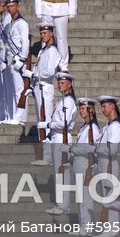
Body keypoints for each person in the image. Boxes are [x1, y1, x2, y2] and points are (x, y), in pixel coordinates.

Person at [24, 21, 64, 165]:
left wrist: (34, 75)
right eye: (41, 33)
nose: (42, 35)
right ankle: (45, 154)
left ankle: (48, 156)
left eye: (45, 33)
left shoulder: (53, 51)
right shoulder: (43, 50)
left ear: (52, 33)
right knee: (40, 121)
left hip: (45, 87)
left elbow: (49, 72)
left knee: (45, 120)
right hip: (38, 87)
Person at [40, 71, 77, 214]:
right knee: (58, 172)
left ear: (70, 84)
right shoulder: (62, 100)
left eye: (62, 83)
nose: (59, 85)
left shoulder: (68, 101)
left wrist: (48, 125)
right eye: (59, 83)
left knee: (61, 172)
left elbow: (64, 123)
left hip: (62, 137)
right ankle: (60, 203)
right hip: (56, 137)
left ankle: (63, 205)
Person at [0, 0, 29, 125]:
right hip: (10, 59)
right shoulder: (11, 24)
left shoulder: (22, 23)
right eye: (8, 6)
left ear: (17, 6)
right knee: (11, 89)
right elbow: (6, 43)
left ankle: (21, 118)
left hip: (18, 59)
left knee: (19, 90)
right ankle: (13, 115)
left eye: (12, 6)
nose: (10, 8)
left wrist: (22, 58)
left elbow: (25, 42)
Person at [71, 98, 100, 231]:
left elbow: (92, 149)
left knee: (85, 197)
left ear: (91, 110)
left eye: (83, 108)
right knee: (80, 196)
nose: (80, 111)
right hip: (79, 164)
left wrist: (73, 149)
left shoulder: (92, 128)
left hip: (86, 164)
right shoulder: (84, 127)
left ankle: (87, 226)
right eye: (80, 108)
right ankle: (83, 224)